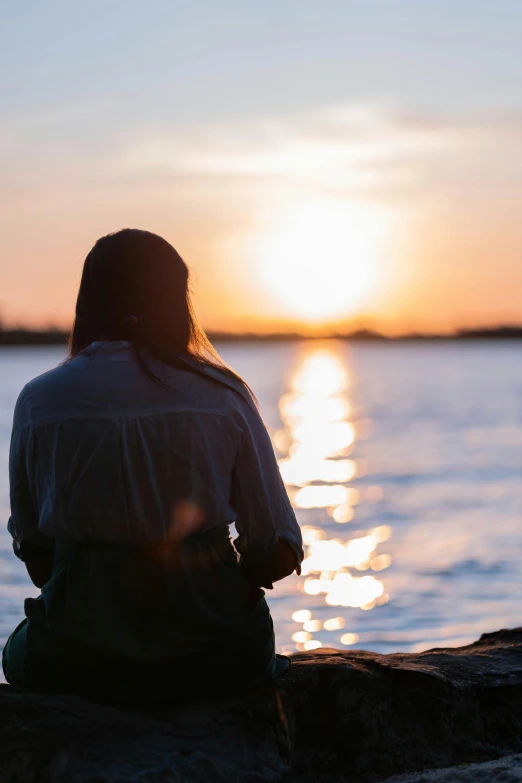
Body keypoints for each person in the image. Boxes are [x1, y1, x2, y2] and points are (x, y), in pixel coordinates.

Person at [3, 229, 303, 704]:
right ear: (175, 301)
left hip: (80, 658)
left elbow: (36, 552)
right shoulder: (224, 395)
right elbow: (278, 549)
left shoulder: (41, 399)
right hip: (219, 657)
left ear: (89, 300)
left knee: (16, 653)